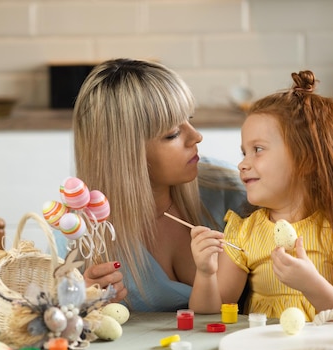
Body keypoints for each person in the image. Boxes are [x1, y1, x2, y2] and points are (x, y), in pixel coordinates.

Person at [189, 70, 333, 321]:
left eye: (257, 150)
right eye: (243, 153)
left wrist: (311, 284)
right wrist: (205, 273)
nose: (242, 164)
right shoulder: (243, 232)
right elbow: (209, 313)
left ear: (307, 159)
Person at [67, 58, 247, 311]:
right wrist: (78, 302)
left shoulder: (231, 191)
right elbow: (42, 317)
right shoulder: (79, 234)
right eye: (172, 133)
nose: (196, 136)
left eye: (190, 118)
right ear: (124, 153)